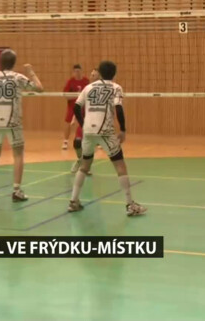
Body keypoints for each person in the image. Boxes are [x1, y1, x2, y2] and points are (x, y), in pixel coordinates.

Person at [69, 60, 146, 216]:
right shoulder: (115, 87)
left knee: (84, 166)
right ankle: (130, 205)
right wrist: (123, 129)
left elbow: (76, 107)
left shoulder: (88, 87)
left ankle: (73, 201)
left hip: (88, 131)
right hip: (105, 131)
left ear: (100, 73)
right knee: (120, 166)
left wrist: (83, 124)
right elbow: (119, 109)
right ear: (114, 73)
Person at [0, 49, 43, 201]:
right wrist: (31, 72)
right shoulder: (18, 77)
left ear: (0, 62)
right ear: (14, 63)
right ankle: (16, 190)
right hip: (12, 121)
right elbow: (39, 88)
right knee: (18, 154)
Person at [61, 64, 90, 150]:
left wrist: (82, 97)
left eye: (79, 71)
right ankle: (65, 141)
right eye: (75, 71)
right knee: (68, 122)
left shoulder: (86, 81)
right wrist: (77, 96)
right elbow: (65, 95)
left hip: (83, 106)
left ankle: (90, 140)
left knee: (87, 122)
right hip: (72, 106)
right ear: (73, 72)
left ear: (82, 71)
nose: (77, 73)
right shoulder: (70, 82)